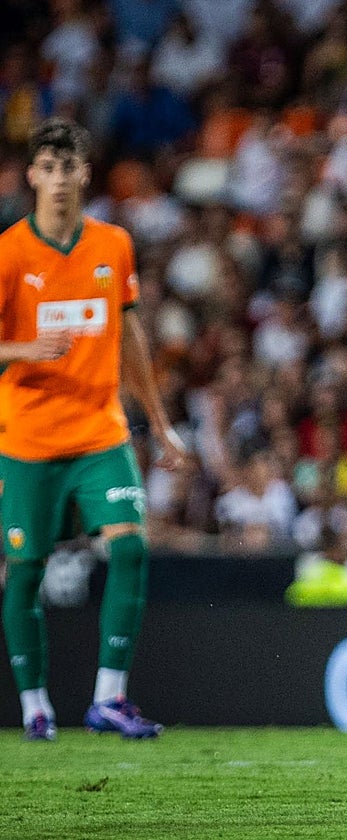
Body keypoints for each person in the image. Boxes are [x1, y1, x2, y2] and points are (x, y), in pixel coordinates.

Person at [0, 118, 187, 741]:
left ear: (85, 174)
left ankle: (109, 696)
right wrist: (26, 348)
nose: (57, 181)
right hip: (27, 437)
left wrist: (159, 423)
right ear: (32, 176)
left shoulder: (112, 245)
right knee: (25, 571)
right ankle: (35, 706)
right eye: (47, 169)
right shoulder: (9, 254)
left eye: (68, 168)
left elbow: (129, 335)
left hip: (100, 431)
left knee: (130, 546)